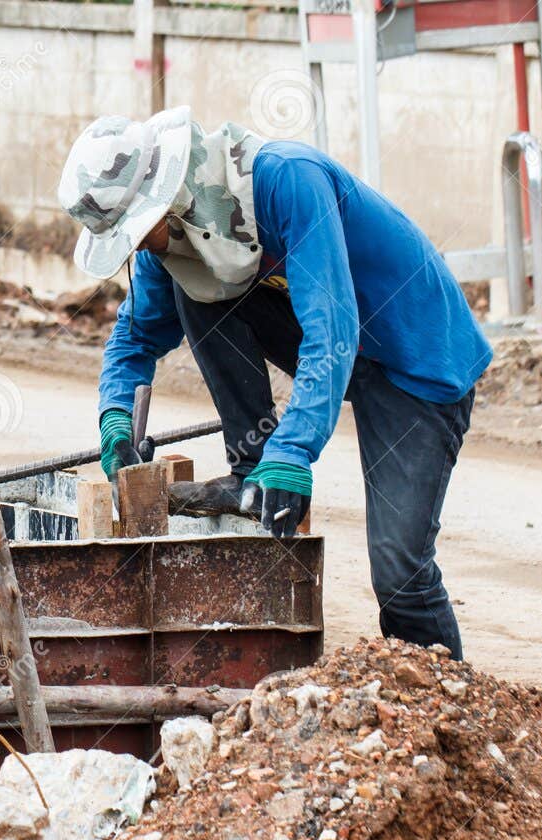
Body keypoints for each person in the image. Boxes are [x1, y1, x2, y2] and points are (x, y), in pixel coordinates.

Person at [58, 107, 491, 658]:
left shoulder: (286, 180)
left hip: (419, 359)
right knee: (194, 290)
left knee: (400, 572)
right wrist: (116, 418)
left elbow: (332, 326)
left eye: (140, 232)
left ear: (169, 194)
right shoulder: (171, 242)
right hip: (346, 348)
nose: (141, 247)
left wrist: (293, 452)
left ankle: (445, 697)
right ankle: (249, 470)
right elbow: (134, 339)